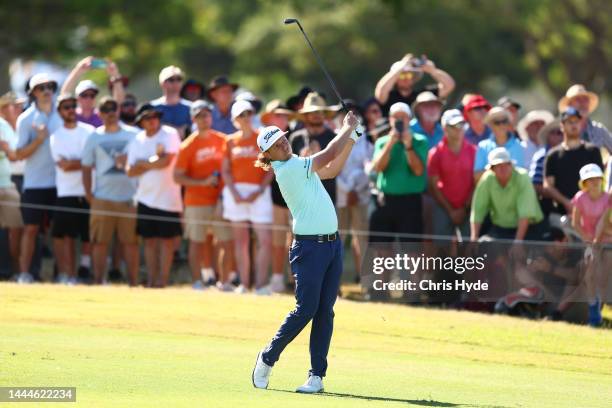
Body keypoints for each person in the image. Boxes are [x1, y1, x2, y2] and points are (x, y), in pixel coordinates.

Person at [251, 111, 360, 394]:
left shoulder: (299, 163)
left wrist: (352, 137)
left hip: (332, 246)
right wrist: (346, 129)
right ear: (268, 155)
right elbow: (328, 153)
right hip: (309, 248)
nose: (283, 144)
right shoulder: (286, 170)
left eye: (283, 139)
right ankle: (267, 357)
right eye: (276, 145)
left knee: (326, 311)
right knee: (306, 310)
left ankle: (316, 376)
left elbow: (332, 170)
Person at [173, 100, 234, 290]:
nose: (204, 119)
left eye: (207, 115)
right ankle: (198, 281)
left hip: (221, 200)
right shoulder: (187, 146)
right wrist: (202, 182)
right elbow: (177, 176)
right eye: (199, 116)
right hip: (196, 201)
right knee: (196, 242)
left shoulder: (224, 140)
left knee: (226, 240)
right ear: (193, 119)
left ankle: (224, 282)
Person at [81, 96, 140, 285]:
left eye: (113, 109)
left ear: (119, 110)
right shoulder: (94, 136)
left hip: (129, 199)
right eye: (105, 110)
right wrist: (90, 196)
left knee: (130, 243)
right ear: (100, 114)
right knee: (99, 242)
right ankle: (98, 281)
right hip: (102, 198)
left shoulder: (134, 134)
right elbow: (86, 167)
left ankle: (133, 282)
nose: (110, 113)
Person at [126, 104, 182, 288]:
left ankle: (162, 281)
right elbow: (130, 171)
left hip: (168, 198)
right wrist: (151, 161)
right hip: (145, 197)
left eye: (155, 117)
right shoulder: (137, 140)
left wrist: (143, 163)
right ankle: (151, 280)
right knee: (149, 241)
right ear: (141, 122)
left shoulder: (170, 134)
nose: (153, 121)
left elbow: (166, 162)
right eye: (148, 118)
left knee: (167, 242)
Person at [14, 73, 63, 283]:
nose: (46, 91)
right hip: (34, 184)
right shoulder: (26, 119)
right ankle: (24, 273)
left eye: (50, 87)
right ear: (33, 93)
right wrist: (39, 141)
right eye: (41, 87)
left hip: (59, 184)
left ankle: (63, 275)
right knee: (31, 229)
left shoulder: (61, 114)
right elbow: (19, 153)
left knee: (59, 233)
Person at [222, 100, 273, 294]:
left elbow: (270, 167)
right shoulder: (229, 141)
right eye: (241, 114)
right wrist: (234, 192)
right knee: (241, 241)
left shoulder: (262, 137)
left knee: (265, 239)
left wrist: (259, 191)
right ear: (235, 118)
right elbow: (226, 170)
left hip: (259, 192)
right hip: (235, 192)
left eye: (248, 113)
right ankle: (244, 284)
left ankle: (260, 285)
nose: (246, 117)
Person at [49, 94, 93, 285]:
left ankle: (84, 269)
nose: (70, 110)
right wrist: (83, 162)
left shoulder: (90, 131)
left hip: (88, 191)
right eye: (66, 107)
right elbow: (64, 165)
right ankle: (69, 274)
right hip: (66, 192)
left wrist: (80, 163)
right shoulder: (56, 136)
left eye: (72, 106)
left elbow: (92, 162)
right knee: (66, 236)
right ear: (60, 112)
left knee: (87, 236)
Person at [369, 102, 428, 242]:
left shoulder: (420, 141)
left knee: (411, 251)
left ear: (409, 119)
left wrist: (408, 146)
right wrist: (390, 143)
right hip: (385, 200)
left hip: (411, 202)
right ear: (390, 120)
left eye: (403, 117)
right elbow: (377, 168)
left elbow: (419, 171)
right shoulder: (382, 142)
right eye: (396, 117)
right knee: (382, 251)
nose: (400, 120)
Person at [470, 148, 544, 242]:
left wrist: (518, 242)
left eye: (507, 164)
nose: (504, 168)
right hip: (500, 229)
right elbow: (478, 210)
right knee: (484, 244)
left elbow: (525, 214)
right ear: (492, 168)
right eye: (499, 165)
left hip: (530, 229)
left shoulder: (522, 177)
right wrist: (474, 237)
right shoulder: (487, 179)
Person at [260, 99, 295, 293]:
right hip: (274, 194)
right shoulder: (264, 138)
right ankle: (277, 278)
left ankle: (294, 278)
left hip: (294, 194)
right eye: (277, 114)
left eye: (284, 114)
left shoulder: (296, 134)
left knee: (294, 238)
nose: (281, 118)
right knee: (277, 238)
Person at [571, 164, 610, 326]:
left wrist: (597, 241)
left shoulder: (608, 198)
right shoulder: (580, 198)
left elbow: (604, 223)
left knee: (605, 271)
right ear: (584, 184)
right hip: (589, 241)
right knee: (590, 272)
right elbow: (576, 223)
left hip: (607, 241)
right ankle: (593, 309)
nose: (594, 182)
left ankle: (599, 307)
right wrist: (589, 240)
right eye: (590, 180)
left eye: (596, 179)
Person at [544, 107, 603, 216]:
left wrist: (583, 204)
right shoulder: (553, 155)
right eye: (570, 122)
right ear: (562, 126)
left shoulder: (592, 151)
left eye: (576, 121)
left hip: (591, 213)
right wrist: (567, 203)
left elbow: (599, 182)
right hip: (563, 214)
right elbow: (548, 186)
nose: (574, 125)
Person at [428, 109, 476, 238]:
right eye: (454, 126)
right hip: (443, 207)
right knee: (441, 249)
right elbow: (433, 185)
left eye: (461, 125)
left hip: (468, 207)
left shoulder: (473, 151)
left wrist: (464, 208)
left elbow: (476, 183)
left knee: (468, 250)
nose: (458, 129)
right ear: (445, 128)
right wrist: (451, 211)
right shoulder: (435, 153)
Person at [289, 92, 340, 203]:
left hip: (327, 197)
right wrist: (301, 161)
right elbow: (290, 169)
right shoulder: (296, 138)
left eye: (319, 111)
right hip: (302, 197)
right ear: (305, 115)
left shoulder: (334, 138)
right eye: (311, 112)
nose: (316, 115)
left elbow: (338, 168)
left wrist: (319, 157)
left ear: (324, 114)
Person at [375, 54, 455, 116]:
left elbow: (449, 86)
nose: (406, 79)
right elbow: (380, 93)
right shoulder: (389, 96)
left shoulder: (423, 95)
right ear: (395, 79)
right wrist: (397, 70)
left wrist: (433, 71)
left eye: (409, 75)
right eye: (402, 75)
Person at [60, 56, 126, 128]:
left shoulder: (102, 115)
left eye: (92, 95)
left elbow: (118, 103)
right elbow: (64, 95)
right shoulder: (71, 115)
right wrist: (78, 70)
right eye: (84, 95)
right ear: (77, 98)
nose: (89, 98)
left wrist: (115, 75)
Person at [0, 93, 24, 275]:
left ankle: (16, 272)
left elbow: (15, 155)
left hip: (8, 184)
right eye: (11, 106)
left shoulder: (6, 127)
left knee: (16, 229)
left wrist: (7, 149)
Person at [474, 106, 526, 182]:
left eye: (504, 121)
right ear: (490, 125)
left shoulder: (518, 145)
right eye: (497, 122)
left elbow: (520, 175)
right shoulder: (483, 146)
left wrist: (493, 170)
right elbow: (477, 176)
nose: (501, 125)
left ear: (508, 123)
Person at [558, 84, 612, 153]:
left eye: (585, 99)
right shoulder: (559, 132)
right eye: (578, 99)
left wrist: (607, 163)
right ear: (569, 105)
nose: (582, 103)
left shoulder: (599, 130)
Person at [530, 120, 564, 219]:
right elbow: (535, 185)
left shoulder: (570, 154)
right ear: (548, 136)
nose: (558, 136)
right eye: (554, 133)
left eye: (560, 133)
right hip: (546, 204)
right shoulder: (541, 156)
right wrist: (557, 196)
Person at [150, 65, 192, 138]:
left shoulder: (190, 107)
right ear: (162, 83)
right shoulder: (153, 107)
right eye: (171, 79)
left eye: (179, 79)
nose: (176, 82)